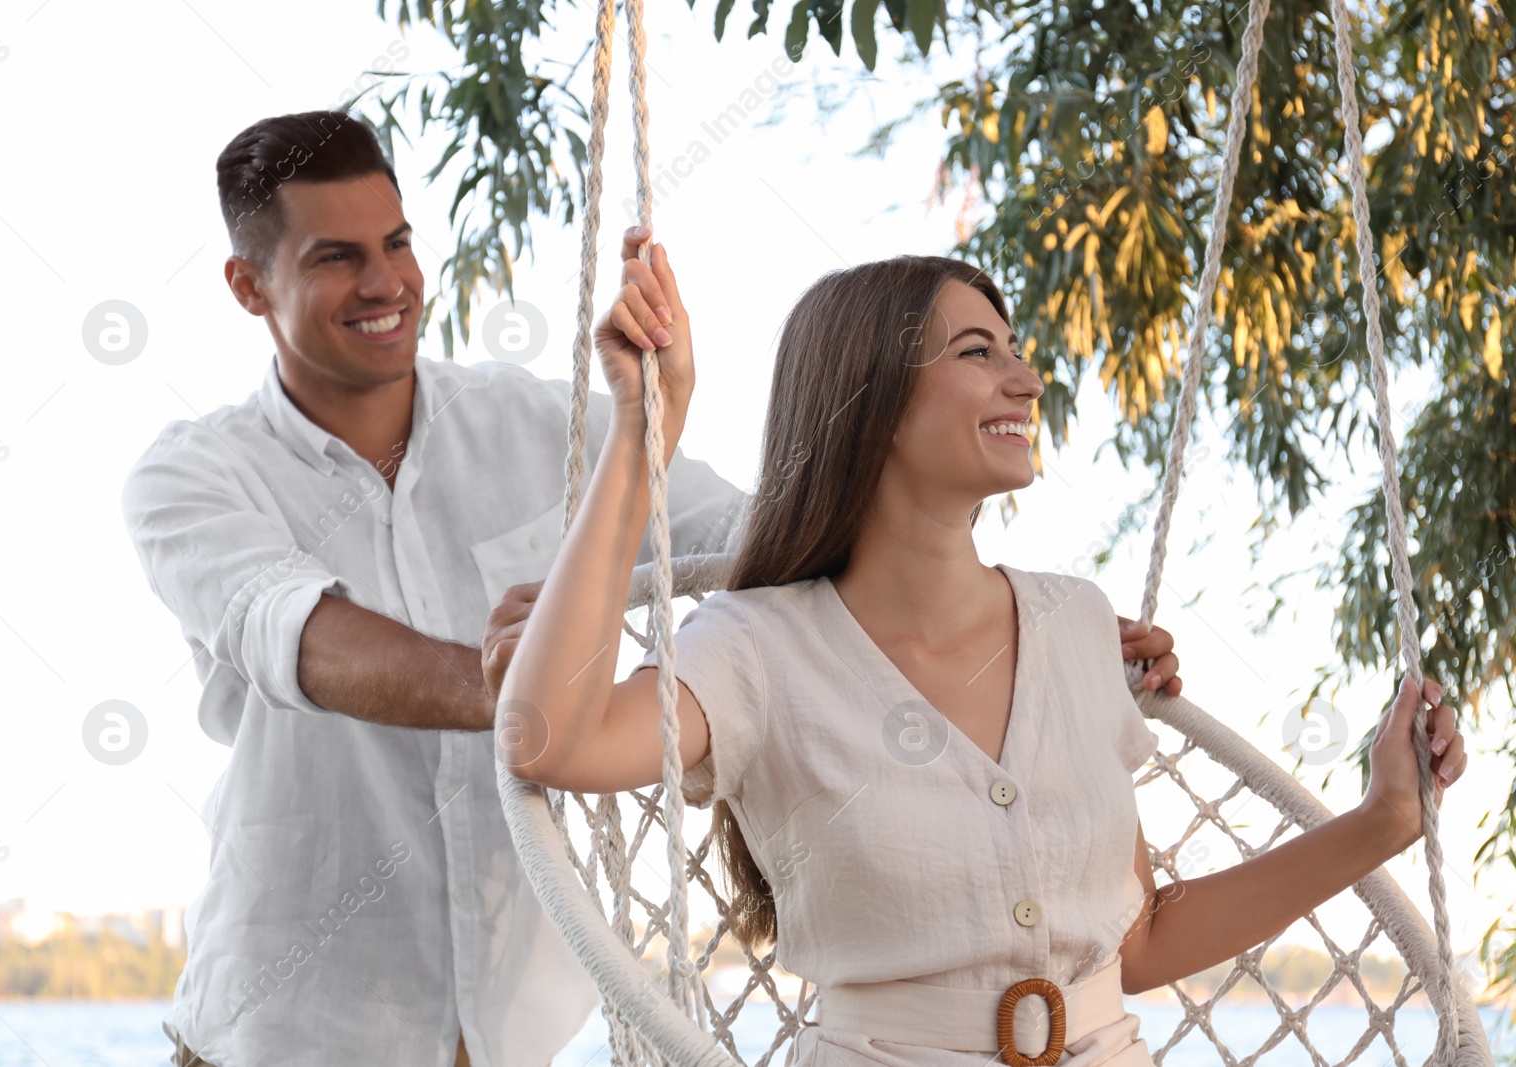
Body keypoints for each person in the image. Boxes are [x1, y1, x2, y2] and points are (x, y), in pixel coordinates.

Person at [487, 240, 1469, 1067]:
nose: (1025, 377)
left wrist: (1381, 820)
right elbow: (547, 740)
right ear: (865, 399)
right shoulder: (755, 648)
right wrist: (640, 440)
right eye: (975, 351)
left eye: (1014, 349)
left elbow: (1139, 941)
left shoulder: (1079, 627)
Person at [120, 110, 762, 1067]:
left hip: (509, 1047)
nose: (385, 283)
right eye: (337, 257)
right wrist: (530, 689)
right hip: (282, 1041)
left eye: (398, 242)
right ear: (248, 286)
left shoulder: (547, 425)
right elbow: (306, 640)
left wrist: (653, 424)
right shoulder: (192, 476)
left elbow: (758, 542)